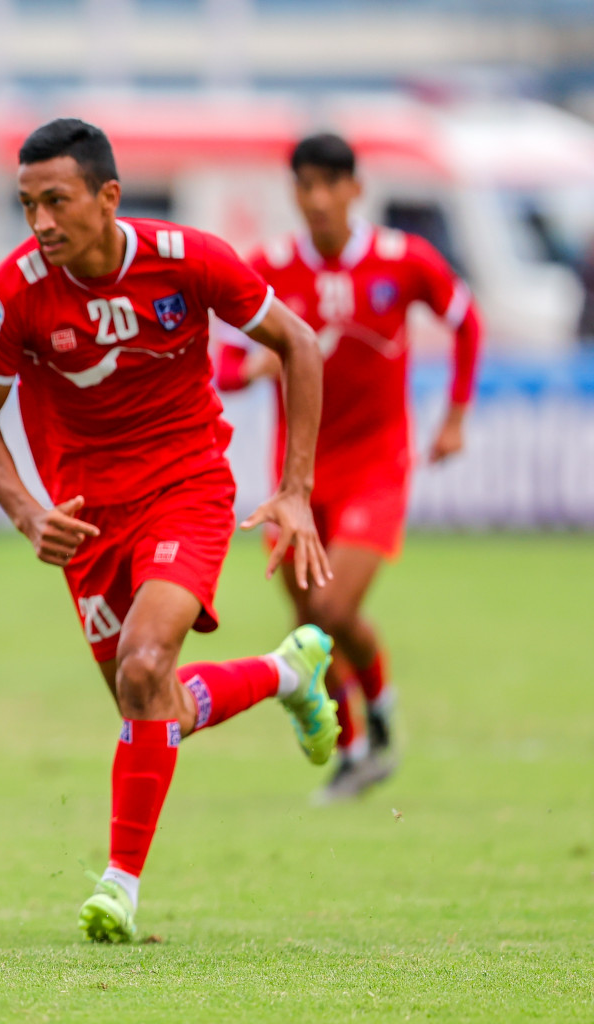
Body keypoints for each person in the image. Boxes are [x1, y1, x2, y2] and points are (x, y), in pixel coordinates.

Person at [0, 119, 339, 944]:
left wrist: (295, 490)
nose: (40, 224)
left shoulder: (188, 258)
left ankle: (119, 887)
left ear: (108, 198)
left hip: (186, 489)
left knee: (145, 666)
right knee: (152, 707)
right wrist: (27, 510)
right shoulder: (13, 293)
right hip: (84, 520)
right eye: (28, 205)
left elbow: (299, 343)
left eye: (56, 202)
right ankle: (286, 673)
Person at [215, 132, 480, 801]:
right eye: (306, 186)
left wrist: (453, 417)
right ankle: (359, 745)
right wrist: (251, 367)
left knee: (330, 608)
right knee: (315, 621)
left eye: (332, 184)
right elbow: (221, 359)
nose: (319, 199)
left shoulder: (403, 260)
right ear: (295, 193)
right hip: (297, 478)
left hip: (376, 464)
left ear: (356, 189)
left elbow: (465, 321)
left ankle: (376, 719)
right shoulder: (270, 267)